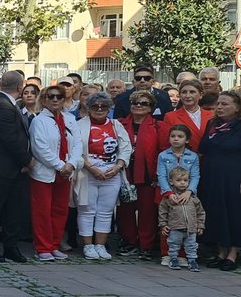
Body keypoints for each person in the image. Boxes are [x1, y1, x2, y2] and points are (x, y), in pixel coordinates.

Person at [198, 91, 241, 271]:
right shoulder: (212, 124)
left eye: (225, 104)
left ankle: (232, 254)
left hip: (234, 176)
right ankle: (221, 252)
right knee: (216, 213)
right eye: (219, 104)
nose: (220, 107)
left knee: (235, 215)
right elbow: (203, 149)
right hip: (212, 176)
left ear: (237, 107)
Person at [0, 71, 31, 263]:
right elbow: (10, 139)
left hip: (11, 168)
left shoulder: (8, 103)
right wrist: (26, 160)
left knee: (13, 210)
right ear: (20, 86)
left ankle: (11, 247)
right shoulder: (2, 105)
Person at [29, 86, 83, 261]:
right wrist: (61, 165)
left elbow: (77, 144)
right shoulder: (39, 121)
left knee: (60, 210)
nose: (55, 100)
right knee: (42, 211)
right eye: (50, 97)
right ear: (44, 100)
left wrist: (72, 164)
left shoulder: (70, 119)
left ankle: (54, 244)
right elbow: (40, 148)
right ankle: (43, 247)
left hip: (65, 172)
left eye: (59, 97)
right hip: (46, 173)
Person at [75, 92, 131, 260]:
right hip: (88, 173)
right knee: (86, 209)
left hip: (111, 173)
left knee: (105, 211)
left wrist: (118, 166)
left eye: (103, 106)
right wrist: (91, 168)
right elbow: (75, 150)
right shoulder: (79, 125)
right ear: (88, 108)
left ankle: (100, 245)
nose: (99, 109)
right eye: (95, 106)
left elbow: (126, 147)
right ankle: (88, 246)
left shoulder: (116, 125)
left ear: (109, 109)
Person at [117, 89, 161, 259]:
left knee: (147, 212)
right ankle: (129, 242)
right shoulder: (120, 124)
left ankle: (146, 245)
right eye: (135, 103)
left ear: (151, 107)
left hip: (148, 175)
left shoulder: (158, 126)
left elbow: (161, 150)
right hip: (125, 173)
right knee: (125, 211)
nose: (138, 106)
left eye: (144, 103)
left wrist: (157, 175)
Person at [159, 166, 204, 271]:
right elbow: (163, 212)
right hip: (175, 227)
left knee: (192, 246)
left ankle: (192, 260)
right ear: (171, 182)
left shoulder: (193, 198)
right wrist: (163, 224)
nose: (182, 183)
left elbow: (200, 212)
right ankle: (173, 259)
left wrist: (200, 225)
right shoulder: (168, 199)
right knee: (173, 244)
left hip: (191, 228)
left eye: (185, 180)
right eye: (179, 180)